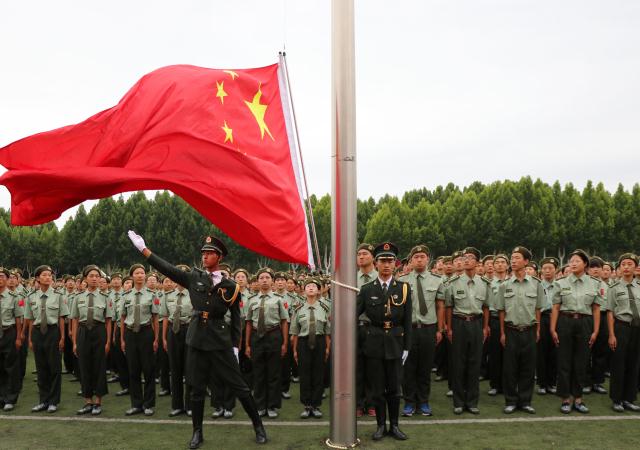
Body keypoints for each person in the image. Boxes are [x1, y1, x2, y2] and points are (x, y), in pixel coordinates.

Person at [127, 230, 267, 447]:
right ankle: (197, 432)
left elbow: (236, 320)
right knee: (197, 388)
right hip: (197, 339)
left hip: (220, 341)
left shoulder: (231, 287)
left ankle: (258, 426)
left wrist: (235, 347)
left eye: (210, 253)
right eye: (203, 253)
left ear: (219, 257)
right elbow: (167, 268)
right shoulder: (194, 277)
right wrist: (144, 250)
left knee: (239, 386)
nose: (205, 256)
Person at [356, 242, 412, 441]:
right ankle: (380, 426)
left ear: (395, 264)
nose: (386, 265)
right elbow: (354, 315)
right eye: (383, 261)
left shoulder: (404, 288)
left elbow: (407, 321)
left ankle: (394, 426)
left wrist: (407, 347)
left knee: (395, 388)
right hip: (374, 344)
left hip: (396, 344)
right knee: (378, 389)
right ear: (376, 263)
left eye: (390, 261)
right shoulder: (366, 289)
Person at [550, 249, 604, 414]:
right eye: (571, 261)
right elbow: (556, 307)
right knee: (564, 362)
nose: (573, 263)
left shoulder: (595, 283)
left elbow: (596, 309)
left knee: (581, 362)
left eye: (577, 261)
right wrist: (553, 328)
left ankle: (578, 399)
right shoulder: (560, 283)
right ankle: (565, 399)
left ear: (585, 264)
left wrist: (595, 331)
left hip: (585, 323)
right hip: (565, 322)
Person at [398, 245, 445, 417]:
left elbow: (440, 306)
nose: (419, 260)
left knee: (425, 367)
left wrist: (440, 329)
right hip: (408, 329)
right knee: (408, 368)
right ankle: (409, 402)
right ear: (411, 260)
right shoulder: (402, 280)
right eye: (416, 257)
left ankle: (423, 402)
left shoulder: (437, 280)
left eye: (422, 257)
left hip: (428, 329)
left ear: (428, 259)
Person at [495, 247, 544, 414]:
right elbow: (501, 311)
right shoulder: (504, 285)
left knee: (528, 368)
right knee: (510, 368)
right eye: (512, 258)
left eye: (517, 258)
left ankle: (525, 401)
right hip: (511, 331)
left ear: (526, 261)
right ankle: (510, 401)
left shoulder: (536, 284)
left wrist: (538, 330)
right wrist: (502, 333)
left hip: (529, 330)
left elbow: (538, 309)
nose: (513, 261)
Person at [445, 247, 491, 415]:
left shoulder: (484, 283)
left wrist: (485, 327)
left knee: (474, 363)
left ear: (477, 262)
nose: (466, 260)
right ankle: (458, 402)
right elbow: (449, 307)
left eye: (470, 257)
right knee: (458, 363)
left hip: (477, 323)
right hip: (459, 323)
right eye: (464, 257)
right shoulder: (453, 282)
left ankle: (472, 402)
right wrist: (449, 328)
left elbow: (486, 307)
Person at [245, 268, 289, 419]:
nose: (264, 280)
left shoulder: (279, 299)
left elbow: (284, 322)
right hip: (256, 336)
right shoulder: (252, 300)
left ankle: (271, 406)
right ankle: (260, 405)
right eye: (261, 278)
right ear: (257, 281)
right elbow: (248, 322)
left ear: (272, 281)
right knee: (258, 372)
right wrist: (247, 344)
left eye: (267, 277)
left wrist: (284, 343)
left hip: (273, 335)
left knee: (273, 373)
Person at [24, 265, 69, 413]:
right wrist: (30, 339)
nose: (48, 277)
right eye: (44, 275)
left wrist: (62, 337)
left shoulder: (58, 295)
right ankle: (43, 400)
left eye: (49, 275)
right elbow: (30, 319)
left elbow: (61, 318)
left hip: (53, 332)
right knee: (41, 368)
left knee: (54, 368)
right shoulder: (31, 297)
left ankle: (53, 401)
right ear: (37, 278)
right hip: (37, 333)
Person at [71, 265, 113, 415]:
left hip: (99, 331)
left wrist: (108, 341)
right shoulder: (78, 297)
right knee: (84, 366)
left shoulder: (105, 297)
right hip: (83, 332)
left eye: (97, 276)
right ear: (85, 279)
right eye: (91, 276)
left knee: (99, 366)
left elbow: (108, 321)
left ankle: (98, 401)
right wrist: (75, 342)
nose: (94, 278)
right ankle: (88, 401)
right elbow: (75, 320)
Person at [120, 263, 160, 417]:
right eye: (137, 273)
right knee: (133, 370)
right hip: (130, 334)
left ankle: (148, 404)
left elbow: (155, 318)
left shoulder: (152, 295)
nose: (140, 275)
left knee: (148, 370)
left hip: (146, 333)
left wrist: (156, 339)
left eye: (142, 273)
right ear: (132, 276)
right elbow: (123, 318)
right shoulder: (126, 296)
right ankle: (136, 404)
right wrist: (122, 339)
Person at [290, 278, 331, 418]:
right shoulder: (298, 308)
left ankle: (316, 405)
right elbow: (295, 332)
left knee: (318, 374)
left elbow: (327, 331)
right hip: (303, 342)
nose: (311, 288)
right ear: (304, 290)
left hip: (320, 342)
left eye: (314, 286)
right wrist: (295, 350)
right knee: (305, 374)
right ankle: (307, 405)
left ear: (319, 290)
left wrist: (328, 348)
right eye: (308, 286)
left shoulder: (325, 308)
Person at [606, 253, 640, 412]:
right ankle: (617, 399)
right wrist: (612, 334)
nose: (626, 267)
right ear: (619, 268)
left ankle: (629, 398)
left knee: (634, 364)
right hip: (621, 327)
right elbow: (610, 312)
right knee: (619, 364)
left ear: (636, 267)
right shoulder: (614, 288)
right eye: (623, 264)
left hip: (637, 329)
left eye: (629, 264)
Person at [160, 265, 193, 417]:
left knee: (189, 369)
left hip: (189, 331)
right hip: (173, 332)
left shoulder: (194, 294)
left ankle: (189, 405)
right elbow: (165, 317)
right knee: (175, 369)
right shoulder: (168, 296)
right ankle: (177, 405)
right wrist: (164, 338)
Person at [355, 243, 377, 418]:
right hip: (355, 327)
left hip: (374, 327)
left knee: (373, 367)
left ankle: (372, 403)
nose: (361, 257)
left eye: (365, 253)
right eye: (359, 254)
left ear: (373, 257)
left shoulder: (380, 277)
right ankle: (358, 403)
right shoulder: (350, 278)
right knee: (357, 367)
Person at [0, 267, 24, 411]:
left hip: (9, 332)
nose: (0, 279)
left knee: (11, 367)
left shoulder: (14, 297)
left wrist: (19, 337)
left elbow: (18, 318)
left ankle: (10, 398)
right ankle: (1, 396)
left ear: (7, 279)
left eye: (2, 276)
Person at [537, 257, 559, 395]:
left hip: (557, 319)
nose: (547, 271)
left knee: (555, 351)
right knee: (541, 351)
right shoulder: (537, 285)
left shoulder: (560, 285)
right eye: (544, 268)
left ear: (556, 270)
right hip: (542, 318)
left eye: (550, 268)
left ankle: (552, 382)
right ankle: (542, 383)